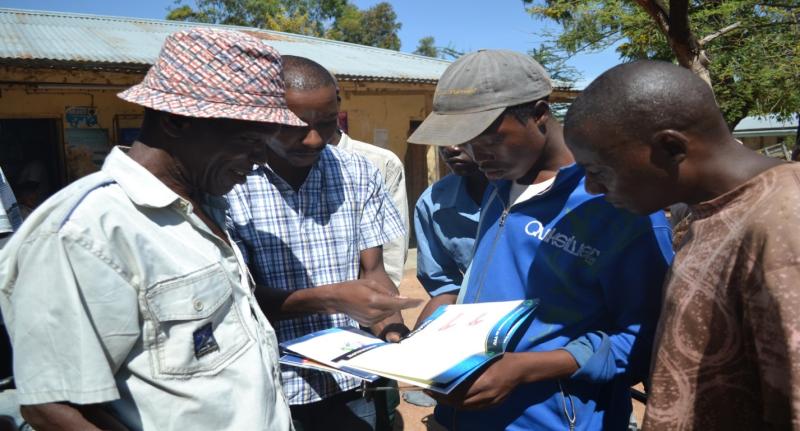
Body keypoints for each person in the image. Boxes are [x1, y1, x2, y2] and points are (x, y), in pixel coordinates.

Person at [0, 28, 411, 431]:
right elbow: (54, 408)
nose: (259, 158)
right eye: (251, 138)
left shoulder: (198, 209)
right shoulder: (84, 232)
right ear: (177, 121)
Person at [407, 50, 674, 430]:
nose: (475, 154)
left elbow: (646, 338)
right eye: (464, 140)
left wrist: (526, 369)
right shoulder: (499, 183)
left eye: (489, 137)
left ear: (538, 113)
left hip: (558, 418)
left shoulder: (618, 204)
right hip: (465, 414)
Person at [564, 60, 800, 430]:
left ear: (670, 147)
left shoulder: (785, 222)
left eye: (598, 171)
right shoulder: (706, 213)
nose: (592, 189)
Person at [226, 56, 413, 431]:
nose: (313, 139)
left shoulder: (359, 172)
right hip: (269, 389)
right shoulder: (230, 182)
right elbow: (234, 300)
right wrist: (332, 298)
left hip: (351, 382)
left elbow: (373, 273)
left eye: (326, 124)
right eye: (294, 127)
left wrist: (394, 333)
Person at [413, 144, 487, 327]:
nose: (450, 147)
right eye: (442, 136)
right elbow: (446, 288)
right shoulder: (433, 203)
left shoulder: (536, 194)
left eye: (463, 135)